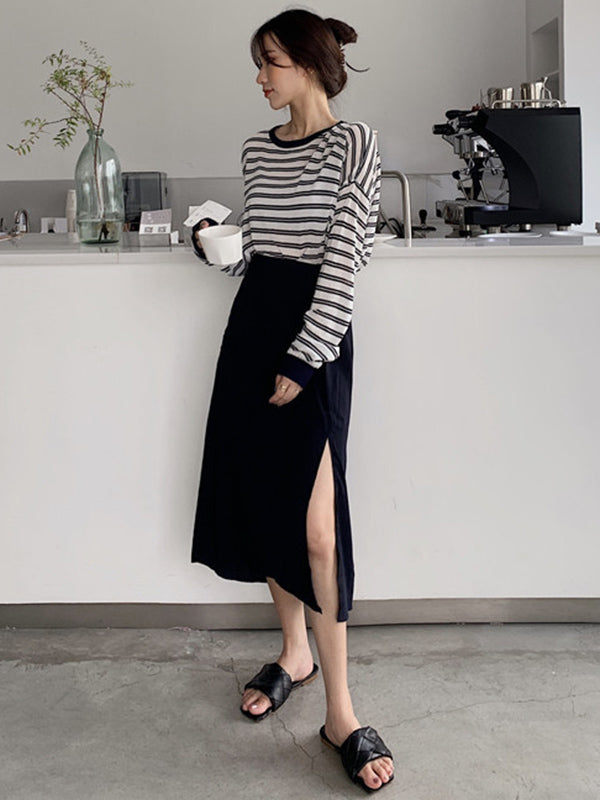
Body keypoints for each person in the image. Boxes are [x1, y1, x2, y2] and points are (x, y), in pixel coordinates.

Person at [190, 9, 393, 793]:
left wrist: (306, 359)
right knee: (269, 506)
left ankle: (340, 712)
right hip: (253, 331)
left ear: (308, 64)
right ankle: (294, 653)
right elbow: (261, 255)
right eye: (260, 63)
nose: (260, 77)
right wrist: (218, 246)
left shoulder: (355, 143)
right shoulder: (255, 149)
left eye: (270, 62)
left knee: (318, 532)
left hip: (315, 337)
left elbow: (343, 260)